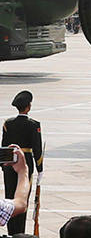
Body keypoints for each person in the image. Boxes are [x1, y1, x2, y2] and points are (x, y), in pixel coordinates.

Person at [1, 90, 41, 235]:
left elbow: (4, 145)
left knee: (9, 197)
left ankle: (11, 231)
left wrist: (3, 167)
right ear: (28, 107)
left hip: (9, 162)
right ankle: (20, 232)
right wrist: (40, 168)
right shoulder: (33, 124)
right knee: (22, 199)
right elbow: (37, 148)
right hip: (25, 162)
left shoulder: (8, 123)